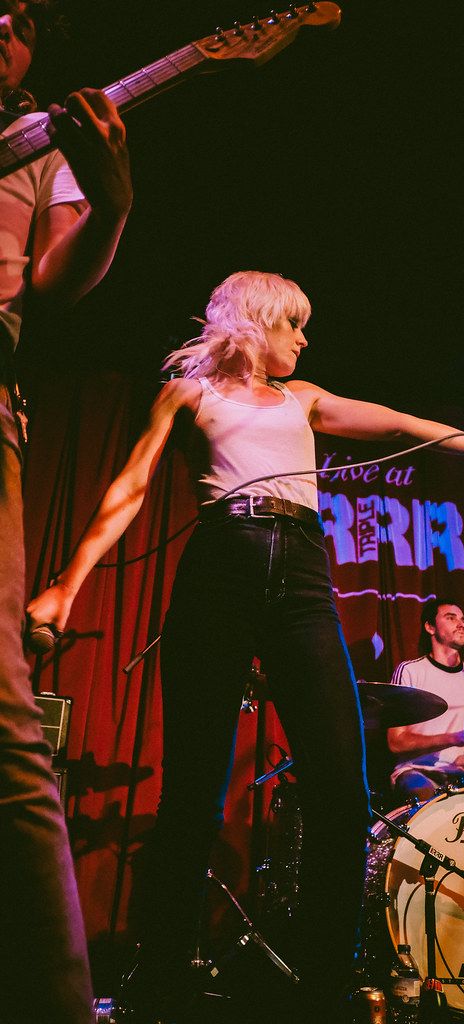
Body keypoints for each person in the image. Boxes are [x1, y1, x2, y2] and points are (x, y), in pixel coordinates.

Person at [27, 271, 464, 1022]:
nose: (304, 340)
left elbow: (402, 423)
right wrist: (69, 585)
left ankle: (323, 984)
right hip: (222, 563)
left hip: (302, 571)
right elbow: (131, 488)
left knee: (341, 789)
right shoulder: (189, 396)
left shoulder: (302, 399)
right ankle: (161, 977)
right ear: (260, 320)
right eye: (295, 325)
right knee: (193, 793)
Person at [1, 3, 132, 1022]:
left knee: (8, 725)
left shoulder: (42, 148)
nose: (4, 26)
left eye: (23, 19)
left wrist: (114, 200)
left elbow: (55, 285)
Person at [388, 599, 464, 805]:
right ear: (430, 627)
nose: (461, 624)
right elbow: (396, 742)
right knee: (425, 796)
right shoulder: (411, 671)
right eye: (450, 618)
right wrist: (453, 738)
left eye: (463, 619)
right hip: (418, 770)